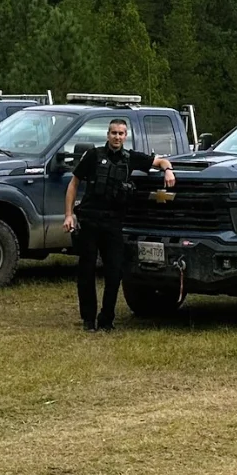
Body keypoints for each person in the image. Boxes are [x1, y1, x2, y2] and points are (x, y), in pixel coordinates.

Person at [64, 117, 176, 330]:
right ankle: (88, 319)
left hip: (113, 223)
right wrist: (69, 215)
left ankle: (107, 318)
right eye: (113, 133)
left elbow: (160, 161)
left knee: (114, 272)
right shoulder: (93, 156)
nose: (117, 137)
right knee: (86, 271)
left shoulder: (130, 158)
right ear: (108, 135)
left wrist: (168, 170)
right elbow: (74, 183)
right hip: (90, 220)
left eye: (121, 133)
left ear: (126, 137)